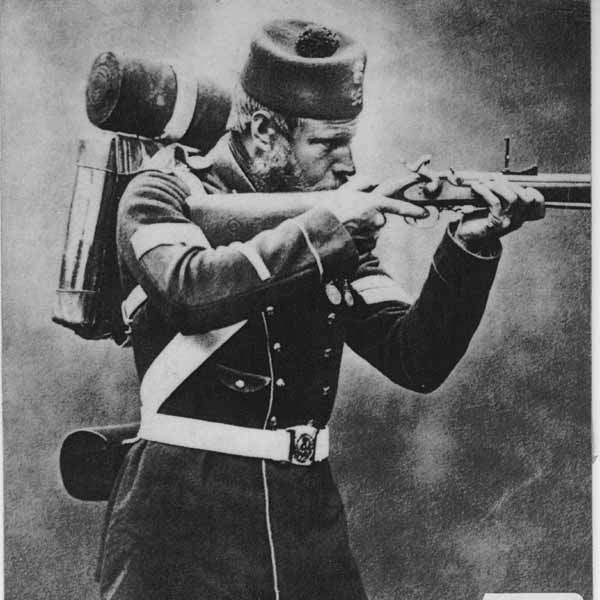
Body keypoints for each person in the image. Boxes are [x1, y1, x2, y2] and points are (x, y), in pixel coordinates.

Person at [98, 19, 544, 600]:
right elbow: (188, 291)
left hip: (306, 519)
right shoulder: (163, 192)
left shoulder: (332, 223)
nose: (348, 165)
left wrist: (469, 245)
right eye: (328, 144)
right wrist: (328, 229)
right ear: (264, 131)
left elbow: (416, 358)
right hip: (184, 521)